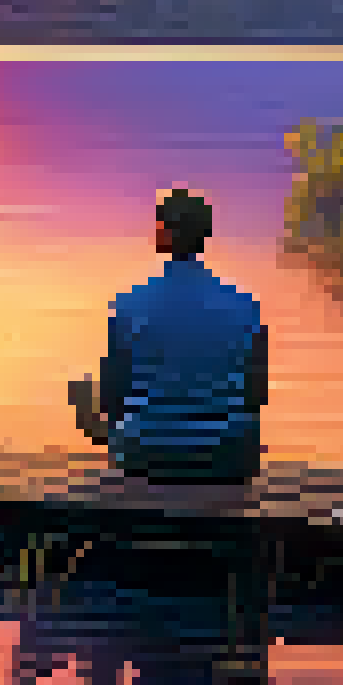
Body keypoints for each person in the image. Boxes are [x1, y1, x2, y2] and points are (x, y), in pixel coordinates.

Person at [73, 188, 269, 484]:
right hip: (228, 457)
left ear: (161, 235)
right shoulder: (246, 305)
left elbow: (113, 397)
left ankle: (126, 451)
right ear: (206, 235)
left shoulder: (130, 303)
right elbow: (256, 396)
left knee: (81, 389)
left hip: (146, 455)